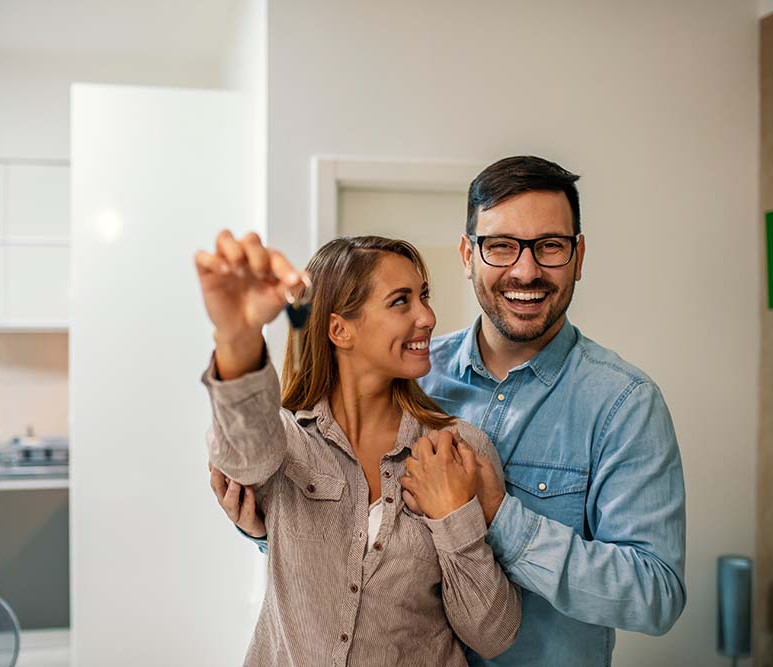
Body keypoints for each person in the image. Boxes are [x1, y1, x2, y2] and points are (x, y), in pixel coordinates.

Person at [212, 156, 687, 666]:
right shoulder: (410, 372)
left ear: (578, 255)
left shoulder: (623, 404)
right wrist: (271, 528)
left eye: (550, 246)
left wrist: (494, 513)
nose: (525, 270)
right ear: (468, 254)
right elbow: (361, 550)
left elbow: (655, 596)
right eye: (501, 246)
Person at [197, 232, 522, 666]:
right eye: (401, 301)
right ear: (339, 329)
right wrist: (237, 337)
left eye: (423, 297)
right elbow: (241, 452)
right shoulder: (288, 442)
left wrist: (453, 517)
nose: (427, 317)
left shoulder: (457, 450)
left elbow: (492, 634)